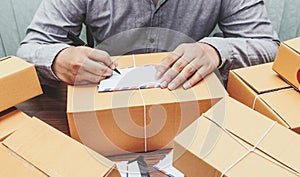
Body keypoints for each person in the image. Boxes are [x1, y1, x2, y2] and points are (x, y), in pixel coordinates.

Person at [17, 0, 280, 89]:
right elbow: (28, 50)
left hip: (190, 105)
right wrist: (58, 59)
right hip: (104, 104)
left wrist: (215, 51)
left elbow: (271, 48)